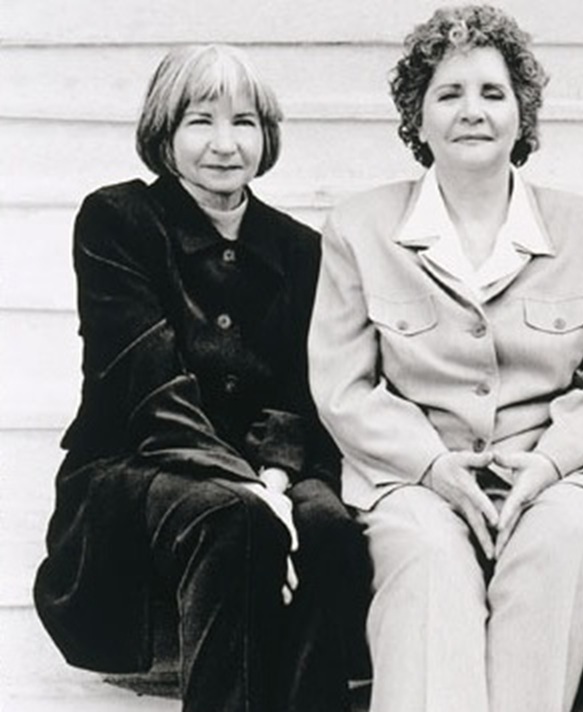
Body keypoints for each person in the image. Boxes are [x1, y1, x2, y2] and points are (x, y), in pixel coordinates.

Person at [307, 6, 583, 712]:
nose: (473, 111)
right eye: (449, 94)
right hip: (412, 478)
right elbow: (344, 386)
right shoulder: (359, 228)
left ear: (523, 115)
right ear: (418, 116)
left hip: (557, 476)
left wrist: (548, 465)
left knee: (565, 545)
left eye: (494, 93)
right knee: (427, 563)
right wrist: (434, 467)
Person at [33, 44, 368, 712]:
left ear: (266, 136)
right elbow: (148, 388)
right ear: (165, 132)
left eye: (244, 122)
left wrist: (275, 482)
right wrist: (253, 491)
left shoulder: (299, 248)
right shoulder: (118, 222)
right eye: (200, 121)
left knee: (325, 524)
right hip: (137, 469)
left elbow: (299, 394)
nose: (224, 143)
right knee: (236, 518)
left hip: (264, 475)